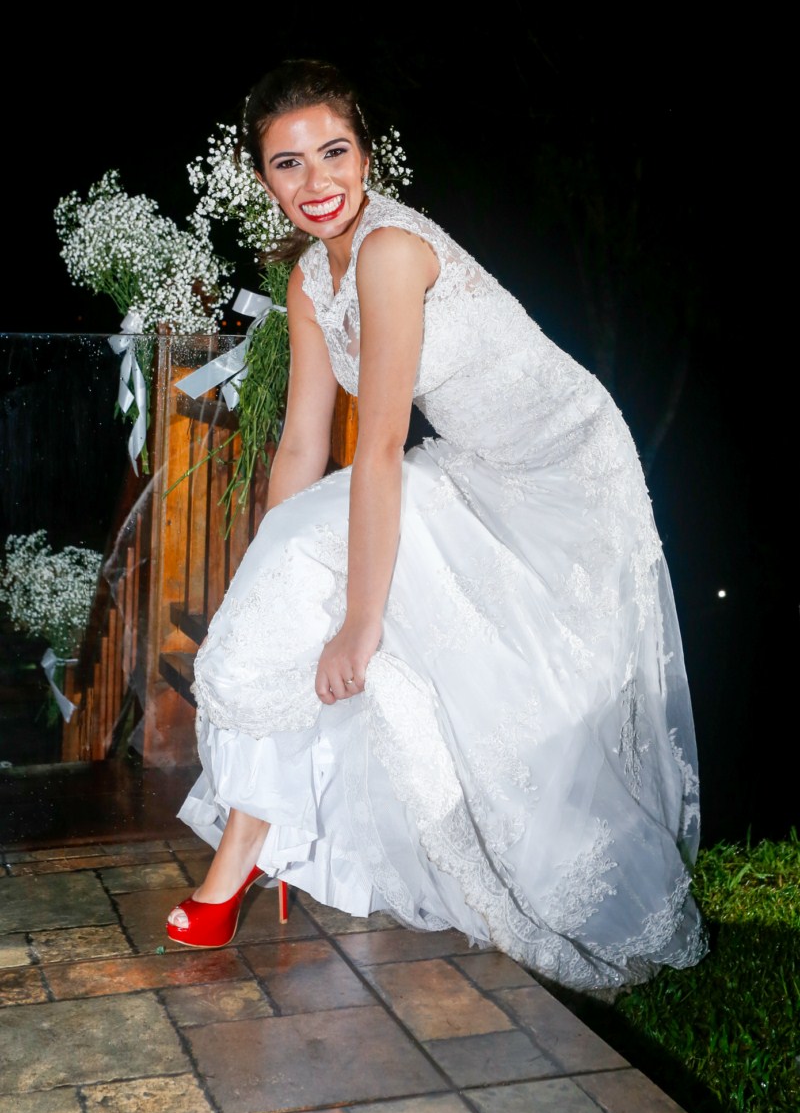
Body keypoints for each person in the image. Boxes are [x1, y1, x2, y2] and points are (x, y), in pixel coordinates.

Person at [167, 59, 707, 992]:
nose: (316, 181)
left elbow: (378, 447)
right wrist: (265, 583)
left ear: (366, 157)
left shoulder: (389, 252)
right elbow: (300, 446)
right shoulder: (308, 280)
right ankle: (240, 860)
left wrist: (359, 622)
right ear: (264, 181)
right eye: (289, 164)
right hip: (472, 463)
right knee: (291, 571)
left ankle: (241, 865)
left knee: (367, 607)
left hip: (561, 473)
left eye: (334, 152)